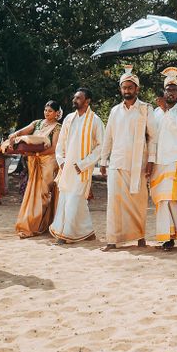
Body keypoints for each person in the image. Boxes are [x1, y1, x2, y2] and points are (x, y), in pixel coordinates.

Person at [98, 66, 158, 251]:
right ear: (120, 89)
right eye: (124, 87)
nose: (127, 91)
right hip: (117, 162)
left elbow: (153, 137)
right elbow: (108, 137)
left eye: (130, 87)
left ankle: (140, 237)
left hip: (138, 164)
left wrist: (151, 160)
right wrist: (103, 160)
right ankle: (112, 240)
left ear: (137, 89)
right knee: (114, 202)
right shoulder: (115, 111)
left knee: (138, 202)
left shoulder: (146, 109)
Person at [50, 88, 105, 244]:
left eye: (78, 98)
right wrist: (60, 160)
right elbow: (61, 142)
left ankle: (64, 234)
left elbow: (101, 146)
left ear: (87, 101)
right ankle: (87, 232)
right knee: (69, 198)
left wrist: (83, 164)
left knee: (74, 199)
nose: (75, 100)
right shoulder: (68, 118)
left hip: (82, 169)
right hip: (66, 167)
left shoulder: (95, 120)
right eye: (74, 97)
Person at [150, 67, 177, 250]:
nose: (171, 93)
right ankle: (172, 232)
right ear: (164, 91)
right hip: (158, 161)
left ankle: (167, 237)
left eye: (174, 90)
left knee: (167, 198)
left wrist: (166, 111)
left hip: (175, 160)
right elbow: (151, 136)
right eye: (168, 89)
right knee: (161, 199)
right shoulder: (156, 112)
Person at [4, 101, 62, 238]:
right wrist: (14, 136)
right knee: (32, 192)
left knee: (43, 193)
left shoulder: (57, 128)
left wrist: (36, 154)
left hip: (48, 162)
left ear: (57, 113)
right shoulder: (37, 123)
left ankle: (36, 225)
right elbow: (23, 131)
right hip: (33, 161)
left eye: (50, 111)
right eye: (45, 110)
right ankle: (32, 224)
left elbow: (54, 148)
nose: (47, 113)